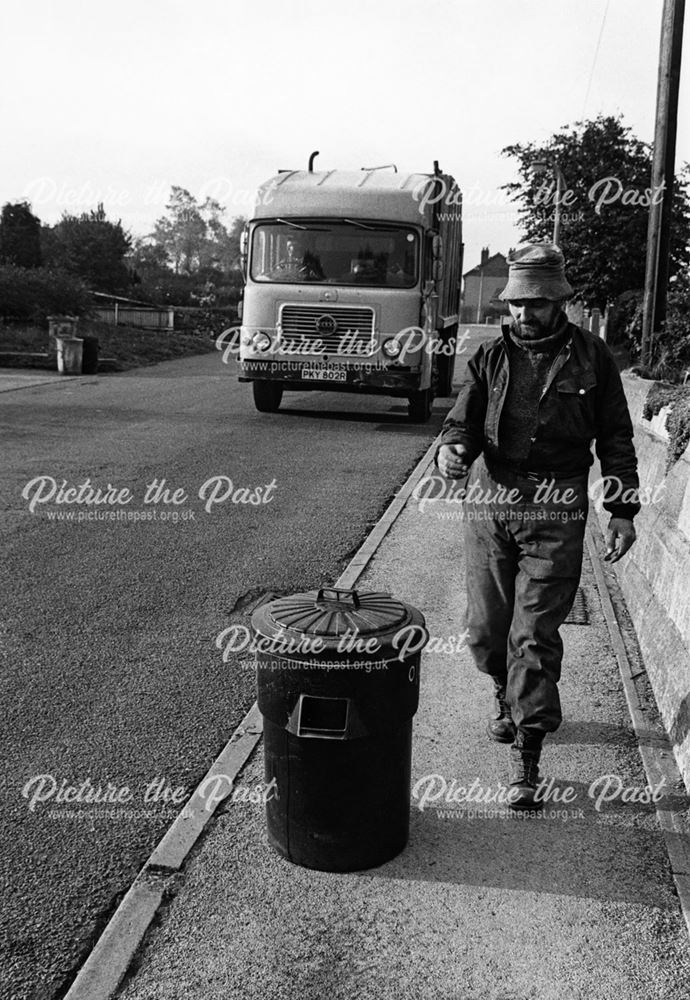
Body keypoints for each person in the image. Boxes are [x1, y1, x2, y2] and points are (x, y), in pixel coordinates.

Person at [436, 244, 639, 809]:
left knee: (534, 633)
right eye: (518, 304)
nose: (526, 314)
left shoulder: (592, 357)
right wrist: (451, 452)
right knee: (483, 630)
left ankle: (528, 754)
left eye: (538, 304)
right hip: (491, 500)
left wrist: (621, 510)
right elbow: (462, 423)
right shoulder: (489, 356)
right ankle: (505, 691)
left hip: (557, 504)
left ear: (560, 302)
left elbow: (617, 439)